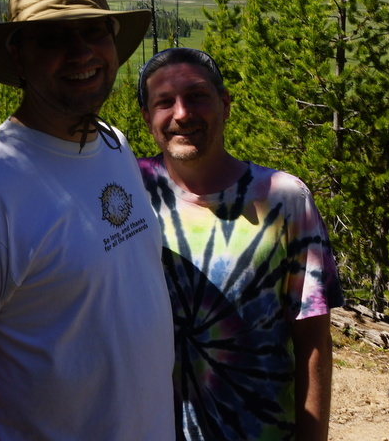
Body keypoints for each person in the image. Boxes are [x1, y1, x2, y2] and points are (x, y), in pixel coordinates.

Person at [0, 0, 176, 441]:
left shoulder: (113, 146)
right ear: (19, 57)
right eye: (54, 38)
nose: (81, 52)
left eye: (94, 31)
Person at [136, 47, 344, 441]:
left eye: (197, 96)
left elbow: (313, 339)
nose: (182, 113)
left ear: (225, 104)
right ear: (148, 117)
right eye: (165, 102)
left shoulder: (285, 198)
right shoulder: (125, 192)